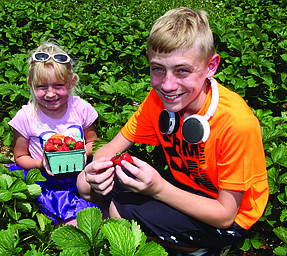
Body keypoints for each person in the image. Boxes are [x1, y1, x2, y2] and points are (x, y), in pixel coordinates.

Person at [77, 7, 269, 256]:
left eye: (182, 70)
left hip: (230, 215)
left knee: (121, 212)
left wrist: (158, 189)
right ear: (148, 59)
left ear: (211, 66)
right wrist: (95, 171)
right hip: (182, 185)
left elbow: (224, 215)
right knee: (84, 184)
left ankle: (198, 248)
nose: (167, 85)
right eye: (158, 69)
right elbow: (110, 149)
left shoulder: (237, 123)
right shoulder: (157, 101)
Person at [8, 41, 99, 226]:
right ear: (31, 84)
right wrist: (40, 163)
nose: (50, 94)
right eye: (42, 87)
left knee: (107, 211)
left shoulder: (80, 108)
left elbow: (93, 142)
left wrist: (84, 153)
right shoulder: (26, 116)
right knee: (74, 224)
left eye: (59, 85)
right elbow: (20, 156)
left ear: (72, 82)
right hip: (48, 182)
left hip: (81, 177)